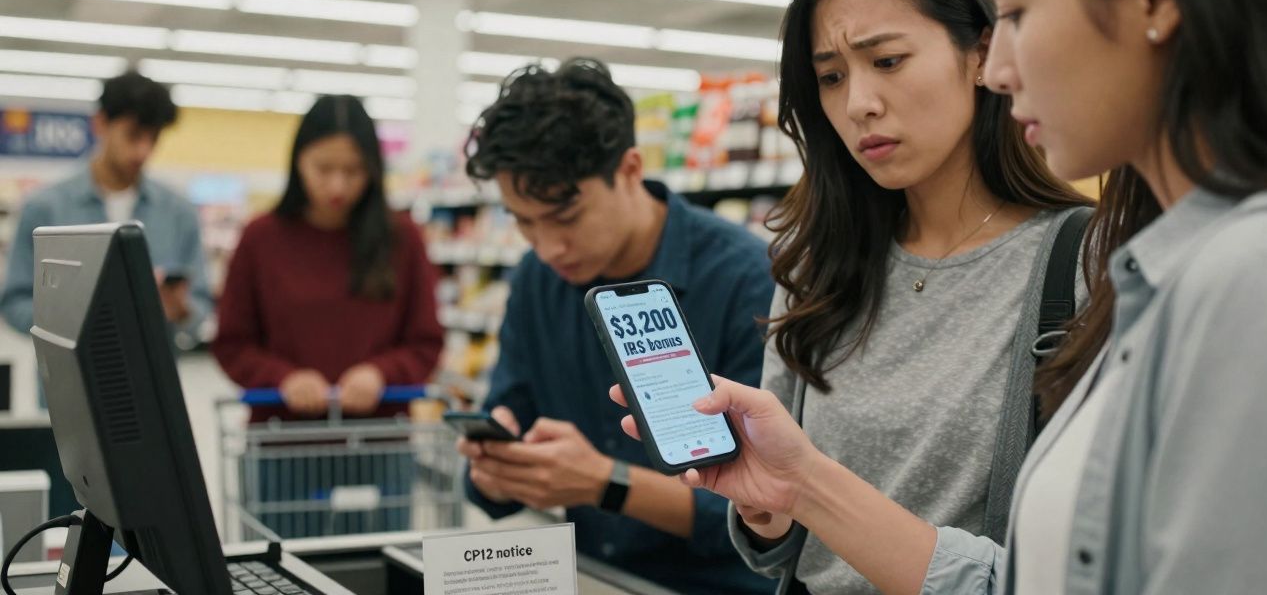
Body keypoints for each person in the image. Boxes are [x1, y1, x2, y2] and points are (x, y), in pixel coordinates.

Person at [611, 0, 1267, 593]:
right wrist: (788, 495)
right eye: (830, 77)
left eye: (1016, 13)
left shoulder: (1226, 273)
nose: (1003, 67)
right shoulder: (824, 263)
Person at [722, 0, 1092, 594]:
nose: (860, 103)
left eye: (888, 61)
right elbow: (781, 546)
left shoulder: (1080, 262)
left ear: (980, 53)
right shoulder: (814, 263)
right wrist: (763, 511)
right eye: (831, 77)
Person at [457, 58, 775, 594]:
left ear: (629, 169)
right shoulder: (538, 280)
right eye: (524, 221)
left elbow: (771, 510)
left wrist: (607, 483)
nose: (548, 246)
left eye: (565, 217)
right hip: (592, 579)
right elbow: (507, 417)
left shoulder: (748, 281)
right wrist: (497, 468)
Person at [212, 94, 443, 537]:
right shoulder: (261, 239)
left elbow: (426, 340)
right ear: (298, 161)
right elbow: (232, 343)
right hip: (282, 444)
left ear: (374, 170)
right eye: (323, 168)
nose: (337, 185)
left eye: (353, 171)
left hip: (379, 445)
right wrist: (282, 377)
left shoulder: (402, 239)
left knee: (376, 572)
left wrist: (381, 373)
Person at [2, 71, 211, 355]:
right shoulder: (45, 207)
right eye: (133, 135)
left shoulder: (179, 213)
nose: (143, 151)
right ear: (101, 124)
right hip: (68, 383)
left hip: (151, 381)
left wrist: (181, 311)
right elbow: (15, 301)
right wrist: (70, 323)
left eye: (154, 138)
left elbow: (201, 305)